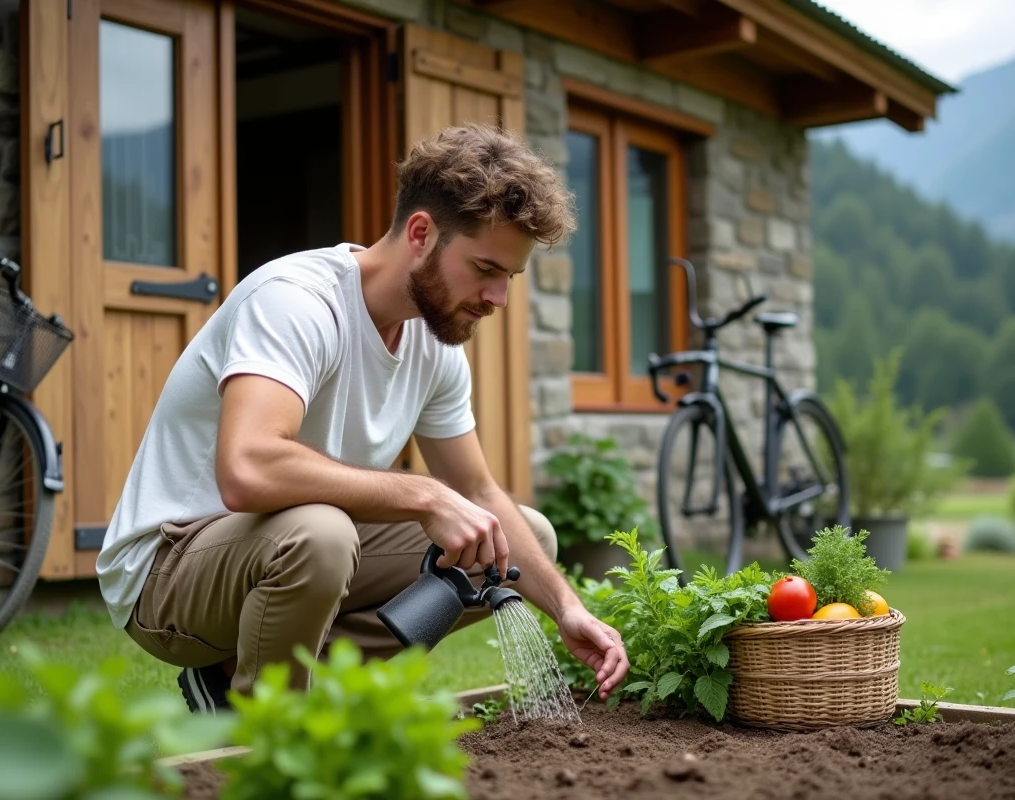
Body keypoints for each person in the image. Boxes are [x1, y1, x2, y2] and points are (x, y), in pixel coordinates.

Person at [95, 123, 630, 713]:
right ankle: (270, 732)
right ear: (422, 233)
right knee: (321, 534)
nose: (498, 297)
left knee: (509, 540)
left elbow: (476, 488)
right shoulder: (296, 301)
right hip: (169, 570)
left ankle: (235, 685)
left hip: (287, 549)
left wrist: (567, 607)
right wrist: (425, 496)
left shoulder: (437, 345)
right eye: (484, 269)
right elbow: (246, 470)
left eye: (509, 277)